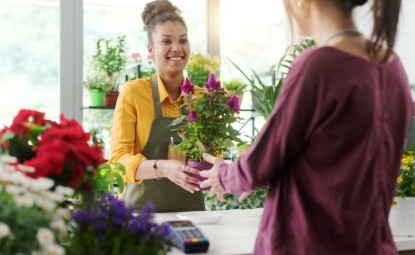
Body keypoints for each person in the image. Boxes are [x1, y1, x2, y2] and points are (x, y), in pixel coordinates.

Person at [200, 0, 413, 254]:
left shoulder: (319, 66)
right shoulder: (392, 67)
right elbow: (341, 161)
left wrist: (222, 175)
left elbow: (260, 165)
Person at [109, 0, 204, 213]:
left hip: (193, 215)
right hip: (139, 215)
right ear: (151, 49)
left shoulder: (202, 99)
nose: (177, 48)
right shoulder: (133, 92)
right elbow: (118, 160)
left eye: (183, 40)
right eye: (166, 41)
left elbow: (214, 157)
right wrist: (163, 167)